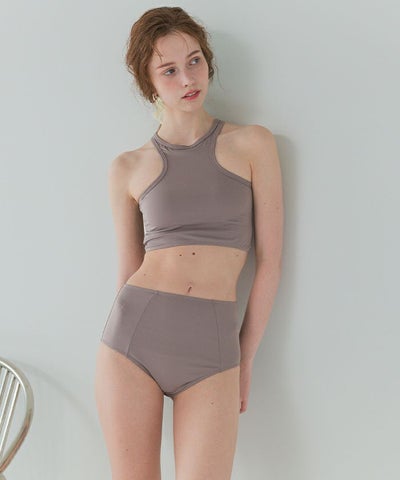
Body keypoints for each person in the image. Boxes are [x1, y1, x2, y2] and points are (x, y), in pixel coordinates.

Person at [94, 6, 283, 480]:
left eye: (195, 61)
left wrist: (244, 358)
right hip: (133, 342)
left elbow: (270, 261)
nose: (187, 78)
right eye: (169, 70)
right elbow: (127, 271)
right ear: (149, 82)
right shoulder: (127, 168)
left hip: (212, 349)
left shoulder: (253, 144)